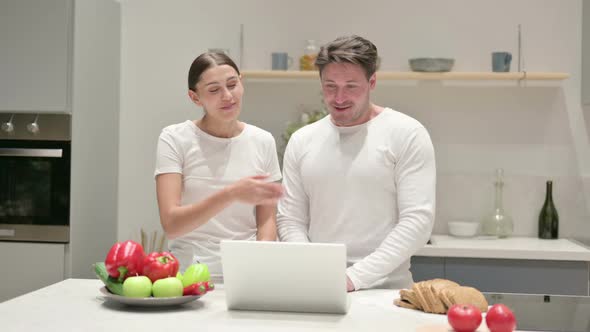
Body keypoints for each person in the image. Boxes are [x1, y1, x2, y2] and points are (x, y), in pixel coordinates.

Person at [277, 35, 436, 291]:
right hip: (319, 286)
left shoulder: (406, 133)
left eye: (351, 86)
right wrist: (312, 268)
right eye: (330, 86)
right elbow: (290, 219)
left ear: (372, 82)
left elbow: (417, 222)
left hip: (386, 291)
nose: (339, 98)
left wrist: (353, 278)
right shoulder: (302, 140)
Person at [154, 52, 283, 277]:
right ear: (195, 98)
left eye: (232, 85)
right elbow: (172, 224)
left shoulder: (262, 141)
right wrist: (231, 193)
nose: (227, 96)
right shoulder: (175, 138)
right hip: (188, 273)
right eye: (214, 90)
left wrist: (263, 261)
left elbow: (267, 220)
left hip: (246, 271)